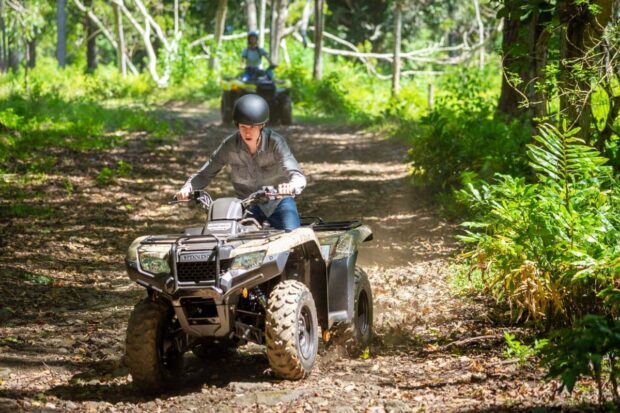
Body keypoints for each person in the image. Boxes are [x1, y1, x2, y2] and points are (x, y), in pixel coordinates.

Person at [176, 94, 305, 231]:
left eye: (252, 127)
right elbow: (204, 174)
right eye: (243, 127)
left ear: (262, 126)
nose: (247, 132)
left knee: (292, 237)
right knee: (230, 240)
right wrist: (188, 188)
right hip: (248, 205)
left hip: (278, 202)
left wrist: (290, 186)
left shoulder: (275, 143)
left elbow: (297, 175)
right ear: (237, 126)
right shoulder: (230, 145)